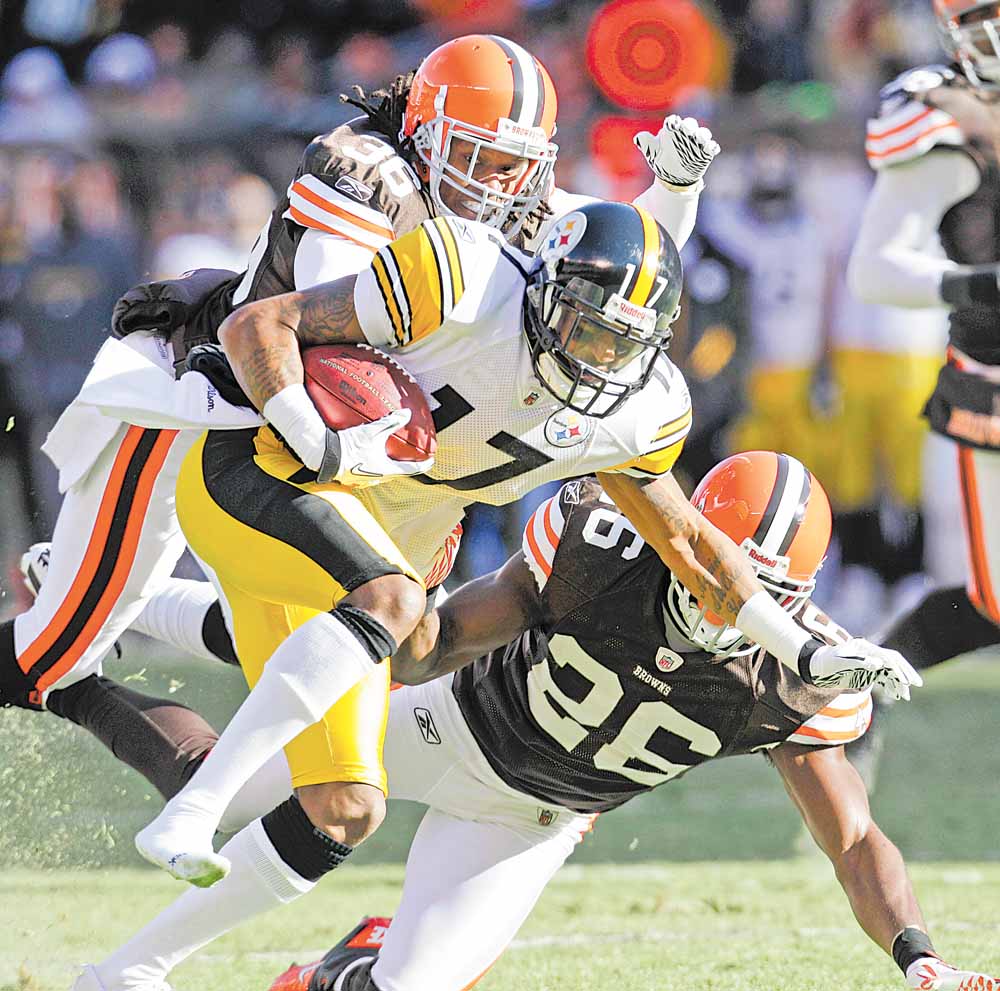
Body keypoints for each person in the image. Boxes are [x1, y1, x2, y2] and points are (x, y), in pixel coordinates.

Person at [0, 34, 720, 804]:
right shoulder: (361, 173)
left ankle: (180, 755)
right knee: (56, 652)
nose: (493, 185)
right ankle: (70, 635)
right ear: (423, 131)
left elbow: (613, 265)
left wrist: (674, 191)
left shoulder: (518, 205)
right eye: (475, 156)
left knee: (363, 649)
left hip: (301, 453)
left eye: (512, 164)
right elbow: (333, 350)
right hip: (205, 406)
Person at [76, 455, 970, 991]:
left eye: (751, 589)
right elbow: (422, 651)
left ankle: (347, 967)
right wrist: (375, 612)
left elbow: (853, 840)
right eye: (709, 568)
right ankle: (103, 634)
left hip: (530, 819)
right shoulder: (601, 547)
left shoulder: (791, 675)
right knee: (222, 779)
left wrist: (916, 957)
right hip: (447, 723)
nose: (718, 599)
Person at [846, 0, 1000, 776]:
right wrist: (979, 285)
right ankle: (858, 695)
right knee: (996, 601)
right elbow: (874, 266)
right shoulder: (943, 115)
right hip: (994, 381)